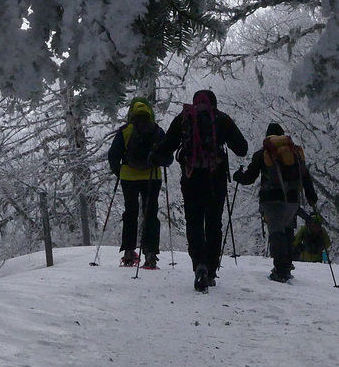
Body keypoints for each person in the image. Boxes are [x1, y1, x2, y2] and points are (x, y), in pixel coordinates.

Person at [150, 90, 248, 292]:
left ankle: (199, 265)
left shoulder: (184, 118)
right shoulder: (221, 118)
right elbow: (242, 148)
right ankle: (211, 270)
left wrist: (154, 154)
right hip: (216, 177)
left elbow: (166, 147)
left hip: (191, 177)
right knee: (213, 222)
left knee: (194, 221)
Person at [233, 122, 318, 282]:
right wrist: (311, 196)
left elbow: (249, 178)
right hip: (292, 200)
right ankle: (286, 265)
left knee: (276, 232)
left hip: (271, 199)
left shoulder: (262, 154)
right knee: (287, 230)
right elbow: (306, 176)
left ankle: (280, 269)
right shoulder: (295, 154)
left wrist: (238, 176)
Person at [107, 97, 172, 269]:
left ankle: (129, 252)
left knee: (130, 212)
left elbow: (113, 155)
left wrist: (119, 171)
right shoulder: (157, 131)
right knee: (150, 213)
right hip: (152, 176)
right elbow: (168, 157)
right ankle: (150, 254)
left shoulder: (125, 131)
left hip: (129, 177)